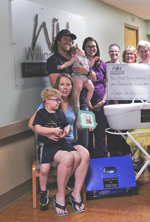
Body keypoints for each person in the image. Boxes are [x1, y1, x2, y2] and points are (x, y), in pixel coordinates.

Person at [29, 83, 89, 215]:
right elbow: (33, 126)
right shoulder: (43, 109)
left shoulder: (73, 105)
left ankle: (75, 193)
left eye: (68, 85)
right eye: (62, 84)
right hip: (51, 144)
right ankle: (60, 195)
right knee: (68, 158)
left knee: (84, 155)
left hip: (67, 141)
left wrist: (87, 124)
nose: (65, 87)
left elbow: (75, 125)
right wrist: (49, 133)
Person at [46, 29, 96, 148]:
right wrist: (79, 83)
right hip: (65, 107)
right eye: (65, 39)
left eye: (70, 40)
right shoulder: (54, 60)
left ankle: (84, 165)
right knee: (69, 142)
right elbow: (55, 83)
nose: (68, 42)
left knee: (84, 143)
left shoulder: (77, 58)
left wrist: (86, 71)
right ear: (58, 41)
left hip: (82, 105)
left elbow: (93, 78)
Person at [82, 37, 108, 158]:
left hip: (100, 103)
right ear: (84, 48)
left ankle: (102, 159)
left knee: (100, 133)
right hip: (86, 104)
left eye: (93, 46)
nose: (91, 49)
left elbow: (107, 84)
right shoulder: (80, 63)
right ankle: (89, 160)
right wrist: (87, 103)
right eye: (88, 46)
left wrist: (103, 101)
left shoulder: (102, 64)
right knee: (87, 133)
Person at [57, 45, 94, 110]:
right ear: (77, 51)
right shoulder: (75, 58)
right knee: (78, 87)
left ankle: (88, 100)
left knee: (91, 87)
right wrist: (62, 66)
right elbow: (68, 63)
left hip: (85, 77)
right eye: (82, 50)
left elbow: (90, 68)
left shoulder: (86, 59)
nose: (84, 51)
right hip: (77, 76)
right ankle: (76, 102)